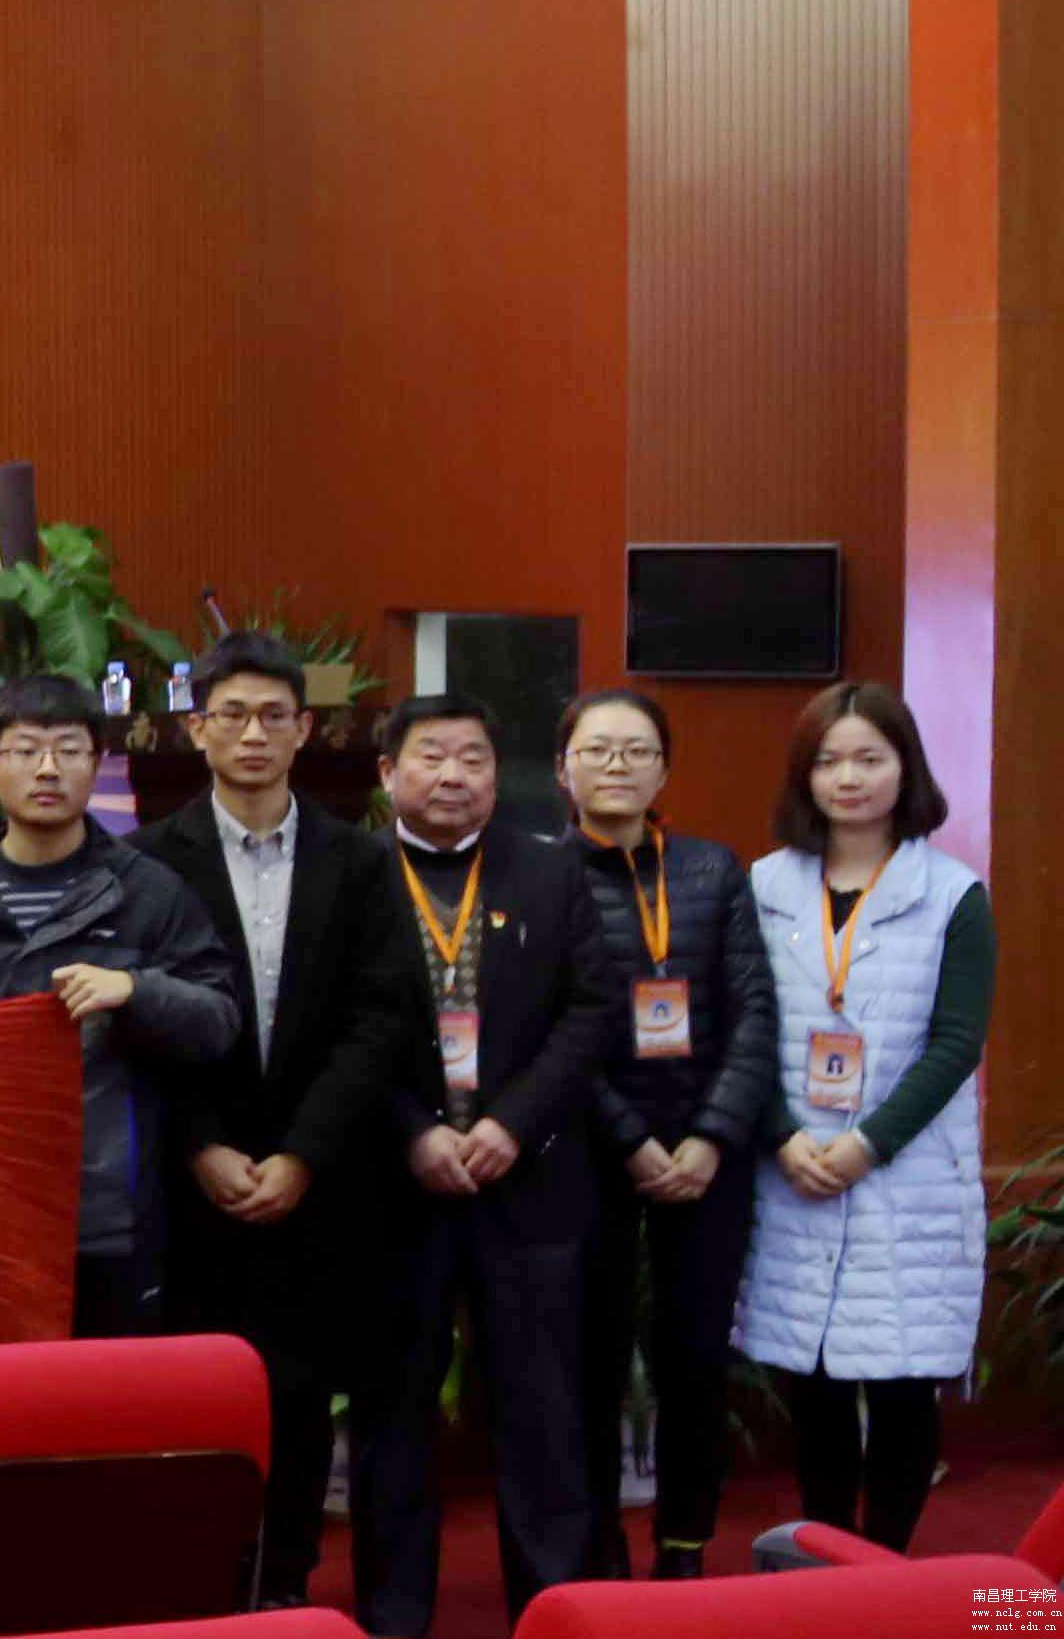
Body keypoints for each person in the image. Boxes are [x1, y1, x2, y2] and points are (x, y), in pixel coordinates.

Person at [130, 631, 427, 1615]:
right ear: (196, 729)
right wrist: (198, 1144)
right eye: (231, 715)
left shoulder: (360, 861)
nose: (251, 734)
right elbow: (139, 1025)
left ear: (303, 730)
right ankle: (202, 1601)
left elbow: (382, 1017)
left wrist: (302, 1152)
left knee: (301, 1402)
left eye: (272, 716)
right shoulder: (146, 860)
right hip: (195, 1183)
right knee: (200, 1401)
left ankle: (288, 1595)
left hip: (320, 1178)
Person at [347, 692, 618, 1635]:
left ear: (498, 777)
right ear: (387, 773)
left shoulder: (550, 870)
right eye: (430, 756)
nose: (453, 776)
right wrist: (411, 1131)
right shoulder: (349, 873)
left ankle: (553, 1611)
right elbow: (331, 1023)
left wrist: (512, 1122)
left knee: (542, 1414)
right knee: (392, 1415)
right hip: (396, 1188)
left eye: (473, 758)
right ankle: (391, 1615)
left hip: (527, 1183)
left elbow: (591, 1010)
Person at [0, 672, 242, 1340]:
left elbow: (219, 1021)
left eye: (68, 750)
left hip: (107, 1217)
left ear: (97, 763)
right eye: (26, 750)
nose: (47, 769)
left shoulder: (148, 893)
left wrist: (136, 989)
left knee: (109, 1397)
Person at [738, 679, 991, 1558]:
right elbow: (742, 1024)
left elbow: (955, 1042)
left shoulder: (953, 892)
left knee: (899, 1382)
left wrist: (867, 1143)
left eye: (868, 759)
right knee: (810, 1379)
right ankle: (826, 1568)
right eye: (828, 761)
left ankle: (884, 1567)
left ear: (904, 768)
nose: (847, 778)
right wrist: (780, 1133)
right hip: (793, 1162)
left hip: (905, 1174)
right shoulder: (763, 884)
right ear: (804, 776)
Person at [550, 688, 767, 1583]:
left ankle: (683, 1542)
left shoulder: (714, 870)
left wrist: (712, 1135)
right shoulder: (538, 876)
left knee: (694, 1356)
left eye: (636, 750)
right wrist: (629, 1137)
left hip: (707, 1153)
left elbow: (754, 1010)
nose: (616, 764)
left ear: (663, 770)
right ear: (562, 766)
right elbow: (545, 1028)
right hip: (590, 1152)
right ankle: (593, 1543)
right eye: (597, 748)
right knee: (589, 1357)